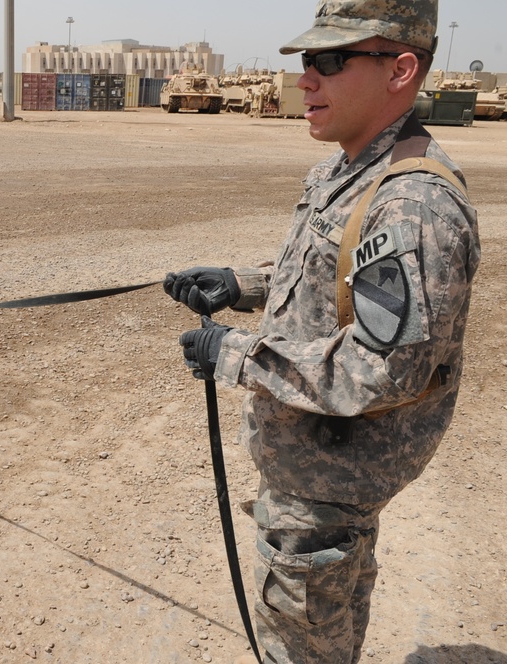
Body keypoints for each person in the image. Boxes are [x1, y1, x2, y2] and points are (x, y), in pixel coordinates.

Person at [164, 1, 481, 663]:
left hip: (329, 484)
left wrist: (236, 355)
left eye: (329, 61)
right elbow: (332, 275)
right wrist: (242, 283)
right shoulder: (352, 170)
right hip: (314, 471)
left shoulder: (412, 203)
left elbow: (382, 368)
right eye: (306, 61)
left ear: (400, 69)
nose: (305, 78)